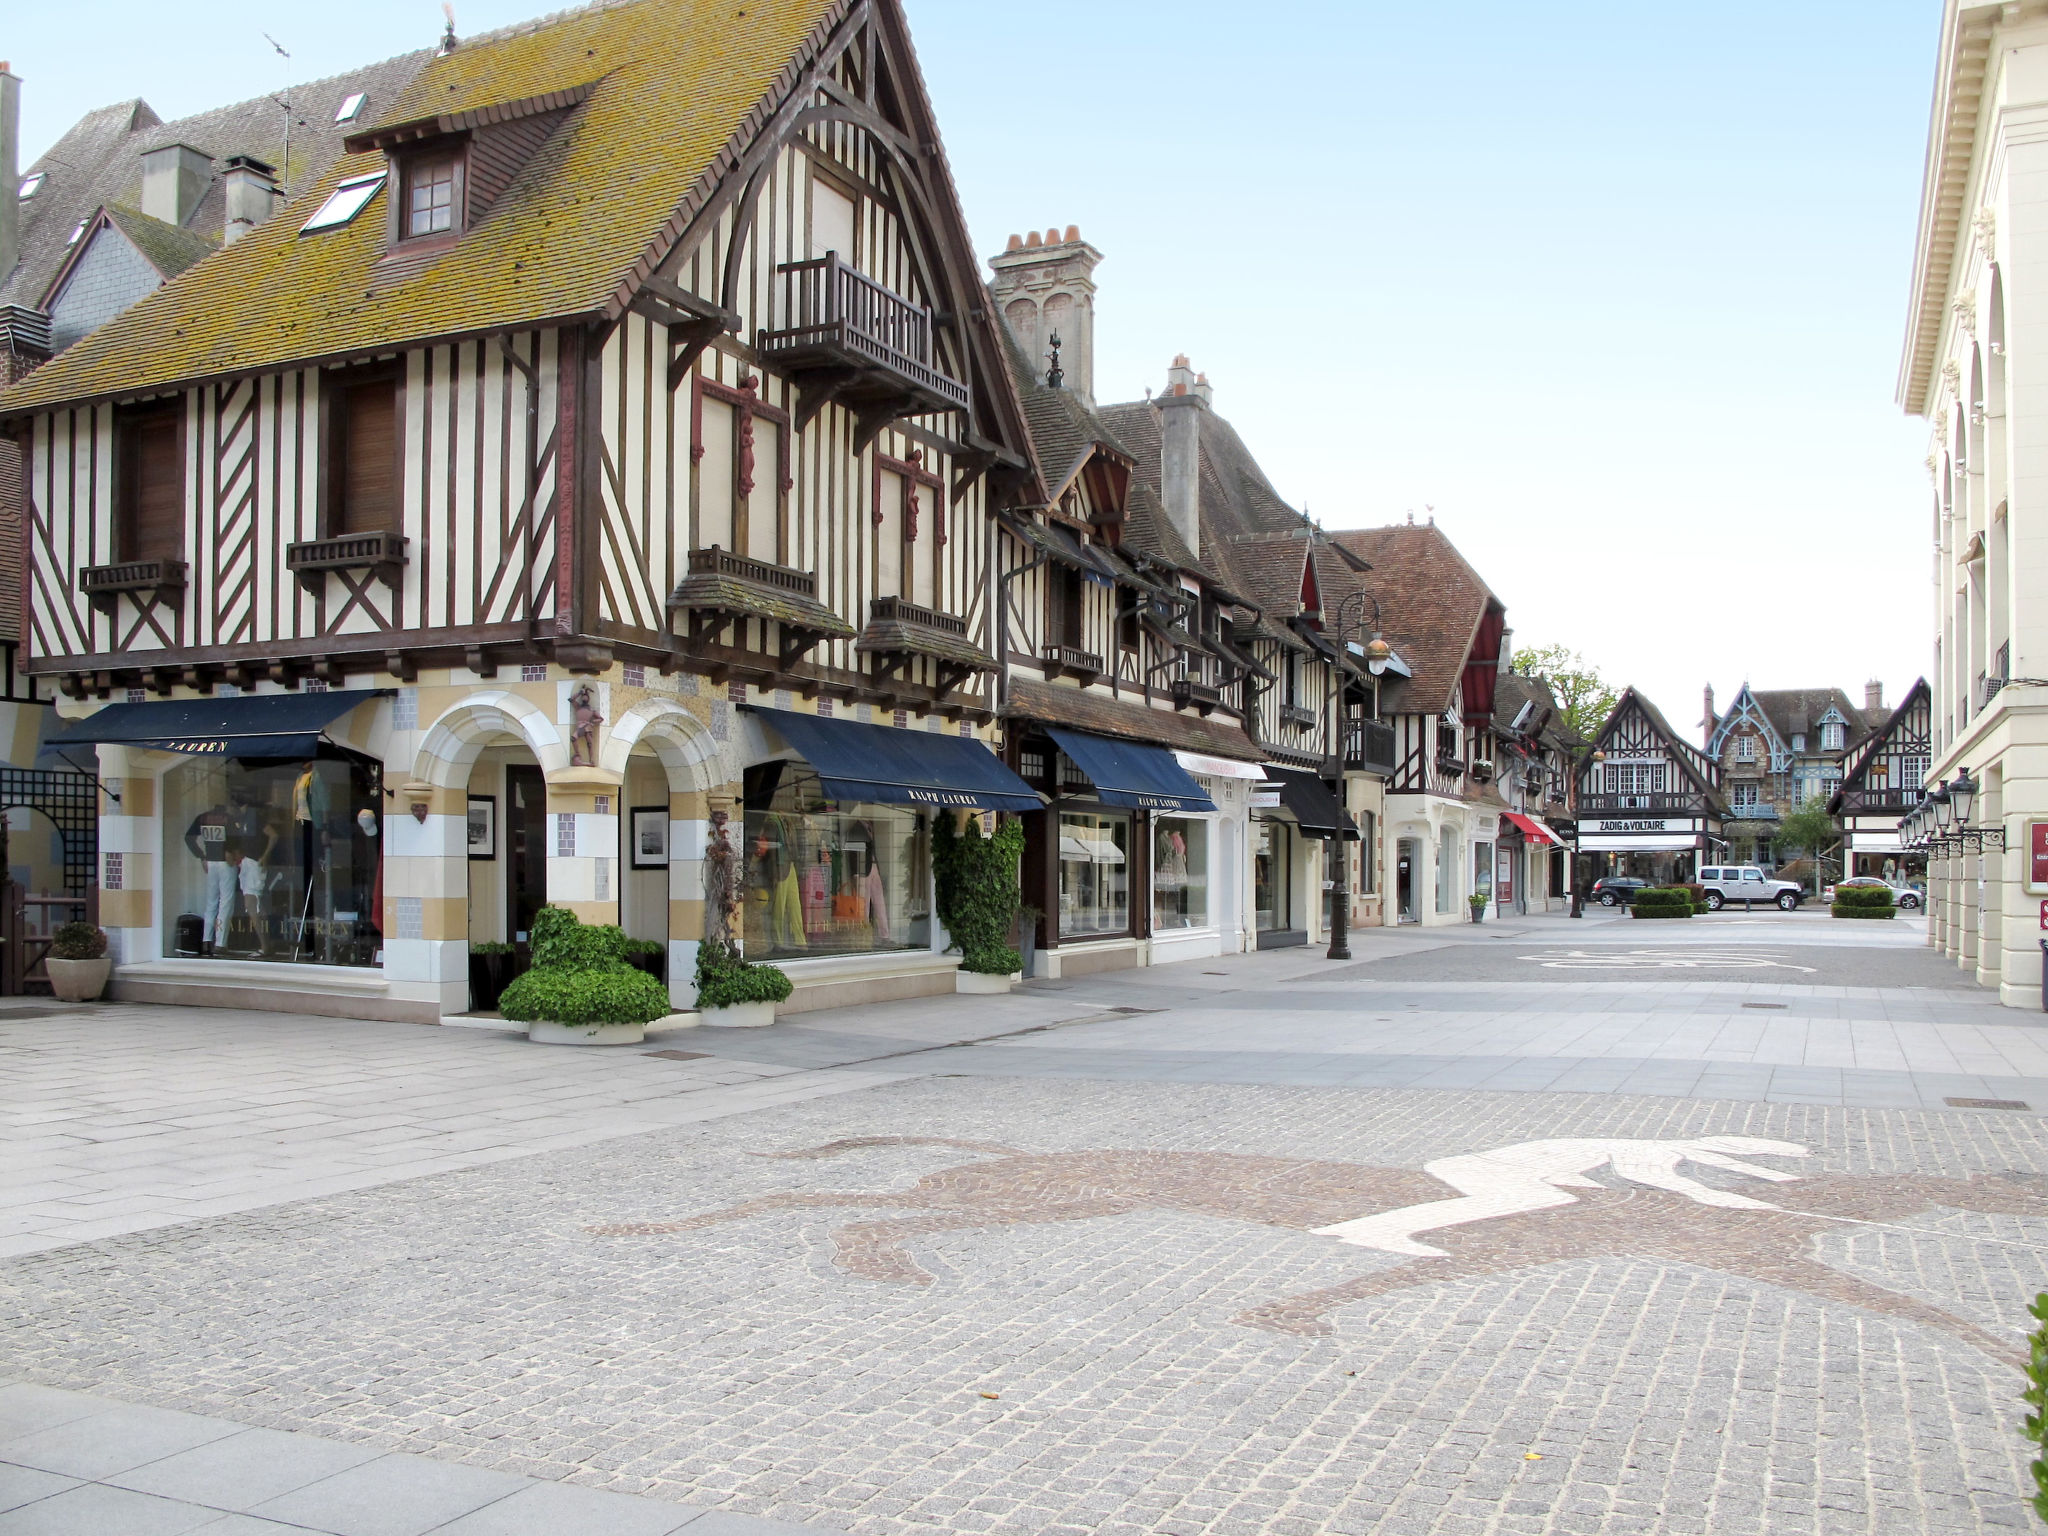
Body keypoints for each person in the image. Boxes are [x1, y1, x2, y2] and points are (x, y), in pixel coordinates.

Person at [185, 799, 235, 956]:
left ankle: (206, 941)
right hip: (226, 863)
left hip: (210, 861)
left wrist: (201, 856)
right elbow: (236, 838)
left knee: (211, 902)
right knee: (225, 902)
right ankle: (220, 943)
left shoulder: (203, 818)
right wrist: (230, 852)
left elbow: (189, 838)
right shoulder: (228, 818)